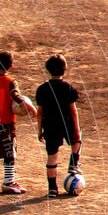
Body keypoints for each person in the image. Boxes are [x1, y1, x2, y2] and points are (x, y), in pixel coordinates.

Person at [0, 51, 33, 194]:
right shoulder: (10, 81)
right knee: (9, 151)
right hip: (5, 123)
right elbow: (15, 96)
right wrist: (30, 108)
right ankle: (9, 182)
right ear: (11, 66)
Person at [35, 53, 82, 198]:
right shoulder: (68, 88)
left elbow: (40, 112)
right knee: (77, 141)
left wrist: (39, 130)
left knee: (52, 158)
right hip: (66, 122)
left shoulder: (42, 89)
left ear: (48, 69)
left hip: (50, 125)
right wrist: (77, 129)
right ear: (65, 69)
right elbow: (73, 111)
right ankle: (74, 163)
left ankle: (52, 189)